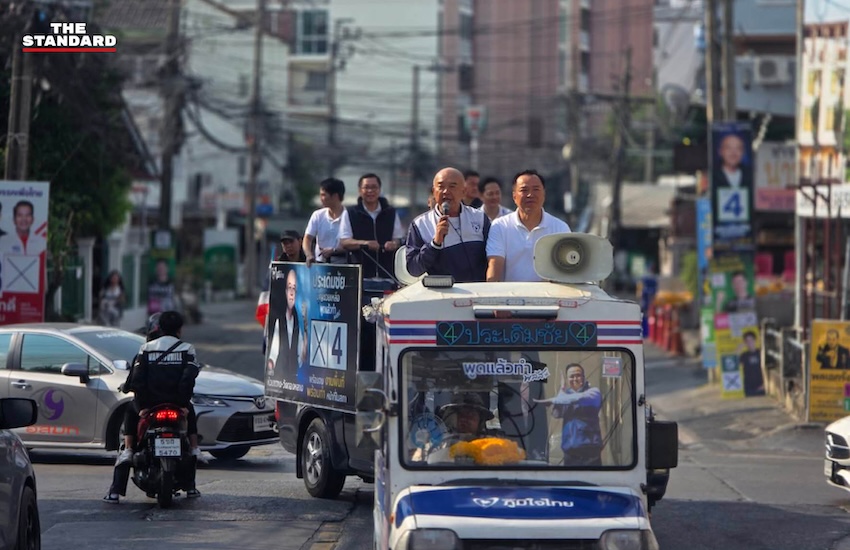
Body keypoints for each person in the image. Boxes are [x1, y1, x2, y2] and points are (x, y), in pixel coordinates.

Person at [103, 311, 202, 503]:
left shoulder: (146, 348)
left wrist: (142, 406)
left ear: (159, 328)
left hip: (150, 406)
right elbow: (188, 378)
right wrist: (182, 404)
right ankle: (194, 464)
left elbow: (138, 379)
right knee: (191, 416)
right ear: (180, 329)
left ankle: (125, 462)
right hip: (177, 404)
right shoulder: (187, 349)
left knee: (129, 415)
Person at [405, 167, 490, 282]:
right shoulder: (420, 225)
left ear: (463, 191)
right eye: (440, 187)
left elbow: (492, 256)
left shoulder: (479, 218)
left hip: (478, 291)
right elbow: (414, 269)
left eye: (452, 186)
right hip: (445, 294)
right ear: (434, 192)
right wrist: (435, 244)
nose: (446, 191)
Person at [486, 169, 571, 282]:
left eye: (536, 189)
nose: (530, 195)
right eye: (524, 190)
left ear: (544, 194)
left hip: (548, 297)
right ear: (514, 196)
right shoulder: (500, 226)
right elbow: (494, 264)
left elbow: (567, 269)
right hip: (510, 297)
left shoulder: (560, 228)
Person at [338, 173, 404, 279]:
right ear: (360, 190)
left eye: (374, 187)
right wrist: (365, 244)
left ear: (379, 189)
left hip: (387, 274)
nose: (370, 191)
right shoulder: (350, 213)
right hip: (360, 276)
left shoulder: (390, 212)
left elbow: (398, 239)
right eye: (366, 187)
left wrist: (393, 244)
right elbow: (344, 242)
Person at [536, 363, 602, 466]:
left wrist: (555, 400)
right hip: (570, 452)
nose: (575, 379)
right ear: (567, 379)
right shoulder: (565, 396)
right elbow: (556, 414)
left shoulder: (593, 392)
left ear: (583, 377)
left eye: (578, 375)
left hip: (590, 452)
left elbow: (579, 398)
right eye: (571, 376)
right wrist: (561, 390)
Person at [303, 178, 348, 267]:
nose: (321, 198)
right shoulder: (318, 215)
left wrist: (335, 251)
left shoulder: (349, 216)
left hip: (343, 265)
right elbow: (307, 238)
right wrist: (309, 255)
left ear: (335, 196)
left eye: (324, 195)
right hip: (320, 264)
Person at [271, 269, 307, 377]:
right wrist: (270, 364)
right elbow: (274, 349)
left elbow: (302, 356)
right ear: (286, 291)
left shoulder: (299, 322)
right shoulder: (280, 320)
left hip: (294, 377)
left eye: (294, 289)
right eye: (289, 288)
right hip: (280, 375)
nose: (291, 293)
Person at [738, 330, 764, 396]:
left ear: (755, 340)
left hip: (761, 385)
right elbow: (734, 363)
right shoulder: (744, 355)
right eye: (747, 341)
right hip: (749, 387)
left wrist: (765, 384)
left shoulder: (761, 353)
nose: (750, 343)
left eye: (751, 340)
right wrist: (738, 350)